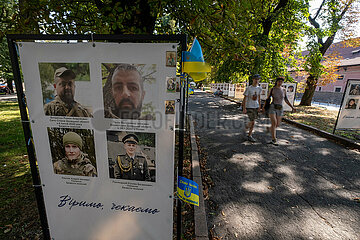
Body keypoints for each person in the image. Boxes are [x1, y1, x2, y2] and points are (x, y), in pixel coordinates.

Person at [263, 77, 296, 145]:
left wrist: (292, 107)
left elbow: (286, 99)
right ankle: (274, 139)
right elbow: (267, 99)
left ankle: (270, 129)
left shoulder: (283, 89)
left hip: (280, 108)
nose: (280, 82)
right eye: (279, 81)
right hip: (273, 107)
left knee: (277, 124)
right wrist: (263, 107)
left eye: (281, 81)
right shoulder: (272, 89)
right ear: (276, 81)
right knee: (274, 123)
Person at [242, 74, 262, 142]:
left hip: (256, 106)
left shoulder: (259, 88)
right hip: (249, 106)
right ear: (253, 79)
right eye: (255, 79)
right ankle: (248, 134)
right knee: (252, 122)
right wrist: (244, 108)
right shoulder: (249, 88)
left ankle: (248, 132)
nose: (257, 80)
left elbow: (259, 98)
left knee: (253, 122)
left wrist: (259, 106)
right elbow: (244, 99)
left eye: (258, 79)